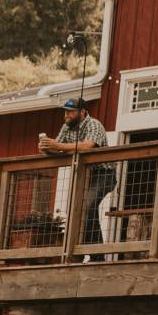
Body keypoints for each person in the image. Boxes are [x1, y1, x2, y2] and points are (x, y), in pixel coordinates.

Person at [38, 99, 110, 250]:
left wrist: (58, 146)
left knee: (86, 206)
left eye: (71, 112)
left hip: (104, 173)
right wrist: (46, 148)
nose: (67, 115)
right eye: (66, 111)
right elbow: (57, 148)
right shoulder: (66, 127)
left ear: (82, 112)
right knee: (80, 209)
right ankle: (91, 252)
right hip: (83, 175)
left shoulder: (94, 124)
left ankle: (95, 253)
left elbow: (88, 146)